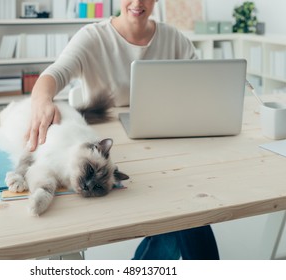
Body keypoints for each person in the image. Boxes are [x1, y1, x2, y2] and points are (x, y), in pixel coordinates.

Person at [28, 0, 219, 260]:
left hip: (165, 148)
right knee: (187, 216)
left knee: (188, 211)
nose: (138, 3)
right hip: (109, 157)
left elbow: (201, 83)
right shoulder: (92, 37)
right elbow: (55, 73)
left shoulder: (173, 38)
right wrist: (41, 100)